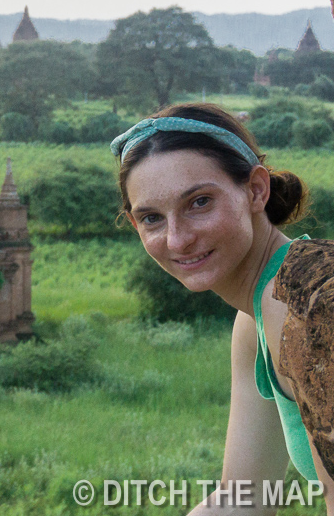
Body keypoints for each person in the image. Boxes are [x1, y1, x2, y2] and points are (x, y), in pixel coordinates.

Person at [113, 102, 334, 515]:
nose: (177, 240)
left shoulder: (311, 305)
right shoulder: (256, 322)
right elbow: (242, 499)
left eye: (199, 203)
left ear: (255, 190)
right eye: (152, 219)